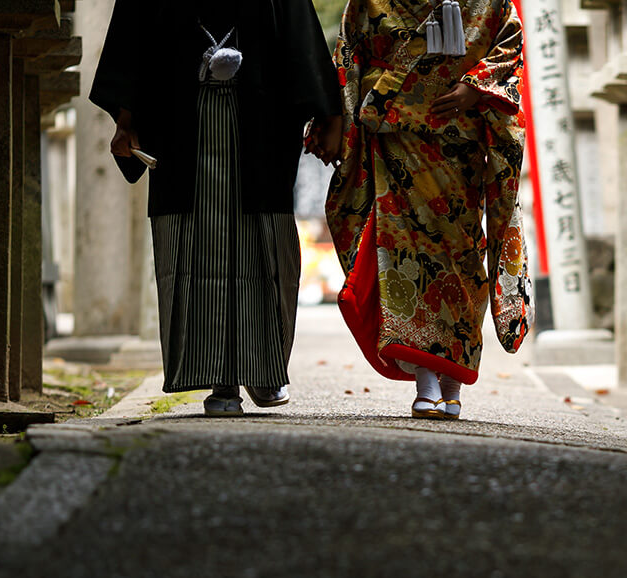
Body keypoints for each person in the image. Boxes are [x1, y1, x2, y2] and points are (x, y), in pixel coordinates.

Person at [90, 0, 341, 416]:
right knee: (196, 250)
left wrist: (328, 115)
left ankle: (263, 366)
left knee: (261, 246)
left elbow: (298, 28)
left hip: (260, 121)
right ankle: (222, 381)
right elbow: (135, 31)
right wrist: (126, 118)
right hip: (181, 122)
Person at [310, 0, 532, 420]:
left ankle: (451, 379)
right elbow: (348, 57)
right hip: (395, 145)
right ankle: (428, 379)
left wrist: (475, 87)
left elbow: (509, 47)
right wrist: (336, 123)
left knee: (462, 259)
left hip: (459, 146)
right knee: (408, 259)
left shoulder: (488, 3)